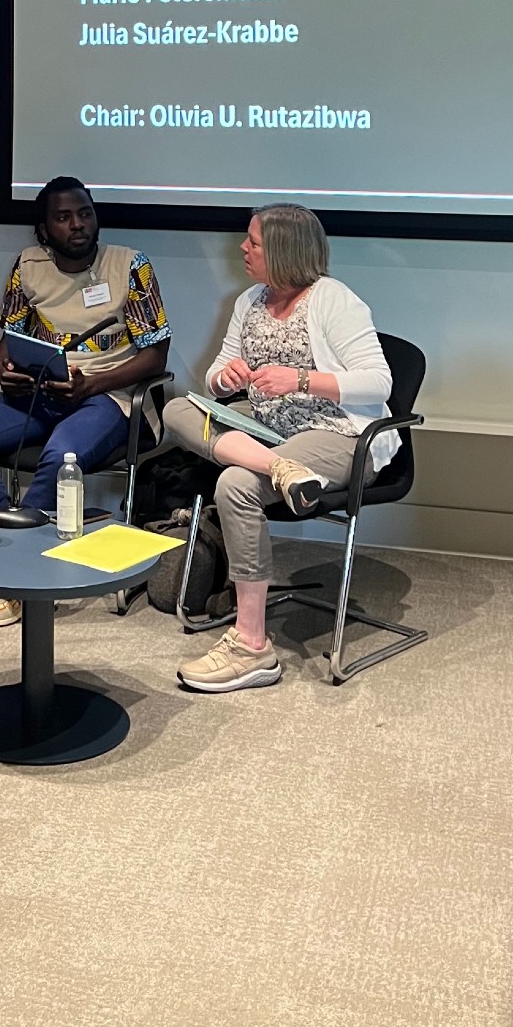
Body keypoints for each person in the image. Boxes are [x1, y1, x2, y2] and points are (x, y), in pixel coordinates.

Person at [162, 201, 392, 694]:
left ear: (285, 250)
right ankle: (280, 468)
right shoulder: (249, 301)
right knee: (177, 409)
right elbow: (216, 373)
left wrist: (301, 379)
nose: (242, 248)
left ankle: (251, 645)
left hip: (337, 433)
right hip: (269, 430)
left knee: (236, 483)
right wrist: (225, 378)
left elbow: (379, 381)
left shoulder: (333, 299)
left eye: (254, 242)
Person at [0, 176, 170, 630]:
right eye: (64, 217)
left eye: (84, 214)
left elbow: (155, 354)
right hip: (40, 393)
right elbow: (10, 336)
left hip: (109, 397)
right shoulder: (28, 265)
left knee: (63, 455)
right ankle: (7, 543)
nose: (77, 224)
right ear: (44, 230)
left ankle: (18, 577)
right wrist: (6, 368)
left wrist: (92, 384)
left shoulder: (130, 265)